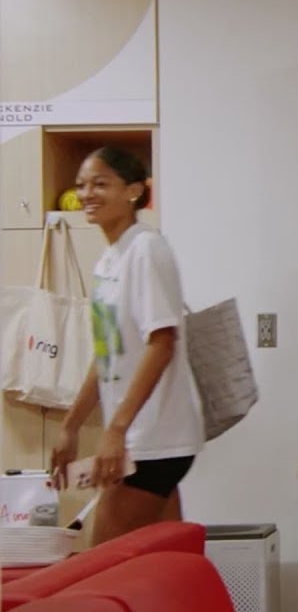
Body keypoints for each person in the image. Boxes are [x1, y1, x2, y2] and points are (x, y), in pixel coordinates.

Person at [50, 147, 204, 545]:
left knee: (104, 558)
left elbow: (162, 343)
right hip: (142, 437)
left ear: (134, 191)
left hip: (154, 438)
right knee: (167, 561)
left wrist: (116, 430)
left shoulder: (146, 249)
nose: (87, 194)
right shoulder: (108, 260)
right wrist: (71, 425)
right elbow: (107, 354)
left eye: (101, 184)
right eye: (82, 184)